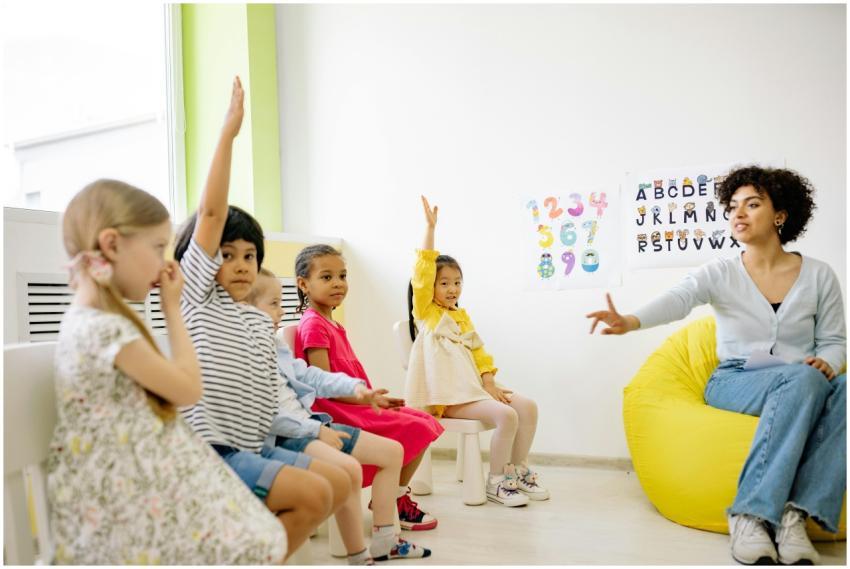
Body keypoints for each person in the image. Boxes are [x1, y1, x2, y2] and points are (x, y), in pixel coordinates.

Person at [587, 166, 846, 565]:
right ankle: (751, 514)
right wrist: (630, 321)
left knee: (835, 388)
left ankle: (794, 517)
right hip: (737, 380)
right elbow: (680, 298)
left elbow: (834, 341)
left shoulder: (819, 275)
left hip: (804, 380)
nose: (737, 214)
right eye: (732, 206)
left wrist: (827, 363)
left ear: (781, 215)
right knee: (803, 381)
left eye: (752, 204)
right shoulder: (720, 272)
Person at [47, 179, 287, 564]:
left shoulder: (96, 322)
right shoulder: (106, 329)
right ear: (111, 246)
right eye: (158, 248)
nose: (165, 263)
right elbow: (189, 389)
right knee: (258, 540)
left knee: (263, 536)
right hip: (125, 494)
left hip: (141, 477)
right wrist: (173, 310)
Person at [173, 76, 348, 559]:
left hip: (254, 446)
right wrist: (228, 136)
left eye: (250, 255)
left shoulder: (254, 320)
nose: (241, 264)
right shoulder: (196, 299)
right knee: (314, 494)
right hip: (209, 452)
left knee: (334, 484)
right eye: (226, 255)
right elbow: (210, 214)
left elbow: (278, 388)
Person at [246, 269, 432, 562]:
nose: (281, 312)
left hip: (313, 425)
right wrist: (315, 431)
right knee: (348, 470)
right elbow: (265, 416)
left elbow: (309, 374)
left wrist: (358, 389)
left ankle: (385, 540)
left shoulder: (275, 345)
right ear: (243, 309)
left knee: (392, 452)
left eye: (281, 303)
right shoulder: (243, 356)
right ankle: (357, 554)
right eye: (273, 304)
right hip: (291, 436)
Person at [404, 196, 549, 507]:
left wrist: (489, 381)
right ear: (430, 288)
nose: (453, 289)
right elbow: (423, 268)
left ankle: (517, 470)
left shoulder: (460, 315)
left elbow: (480, 352)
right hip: (448, 397)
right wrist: (430, 229)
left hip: (473, 390)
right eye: (444, 283)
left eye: (457, 282)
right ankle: (496, 481)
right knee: (507, 415)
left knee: (528, 407)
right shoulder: (427, 314)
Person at [294, 245, 444, 530]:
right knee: (419, 427)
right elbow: (325, 385)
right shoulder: (314, 325)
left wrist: (373, 399)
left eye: (342, 275)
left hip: (356, 405)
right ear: (303, 284)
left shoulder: (330, 323)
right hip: (341, 413)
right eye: (326, 277)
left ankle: (393, 496)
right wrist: (366, 402)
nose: (338, 283)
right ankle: (394, 501)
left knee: (424, 421)